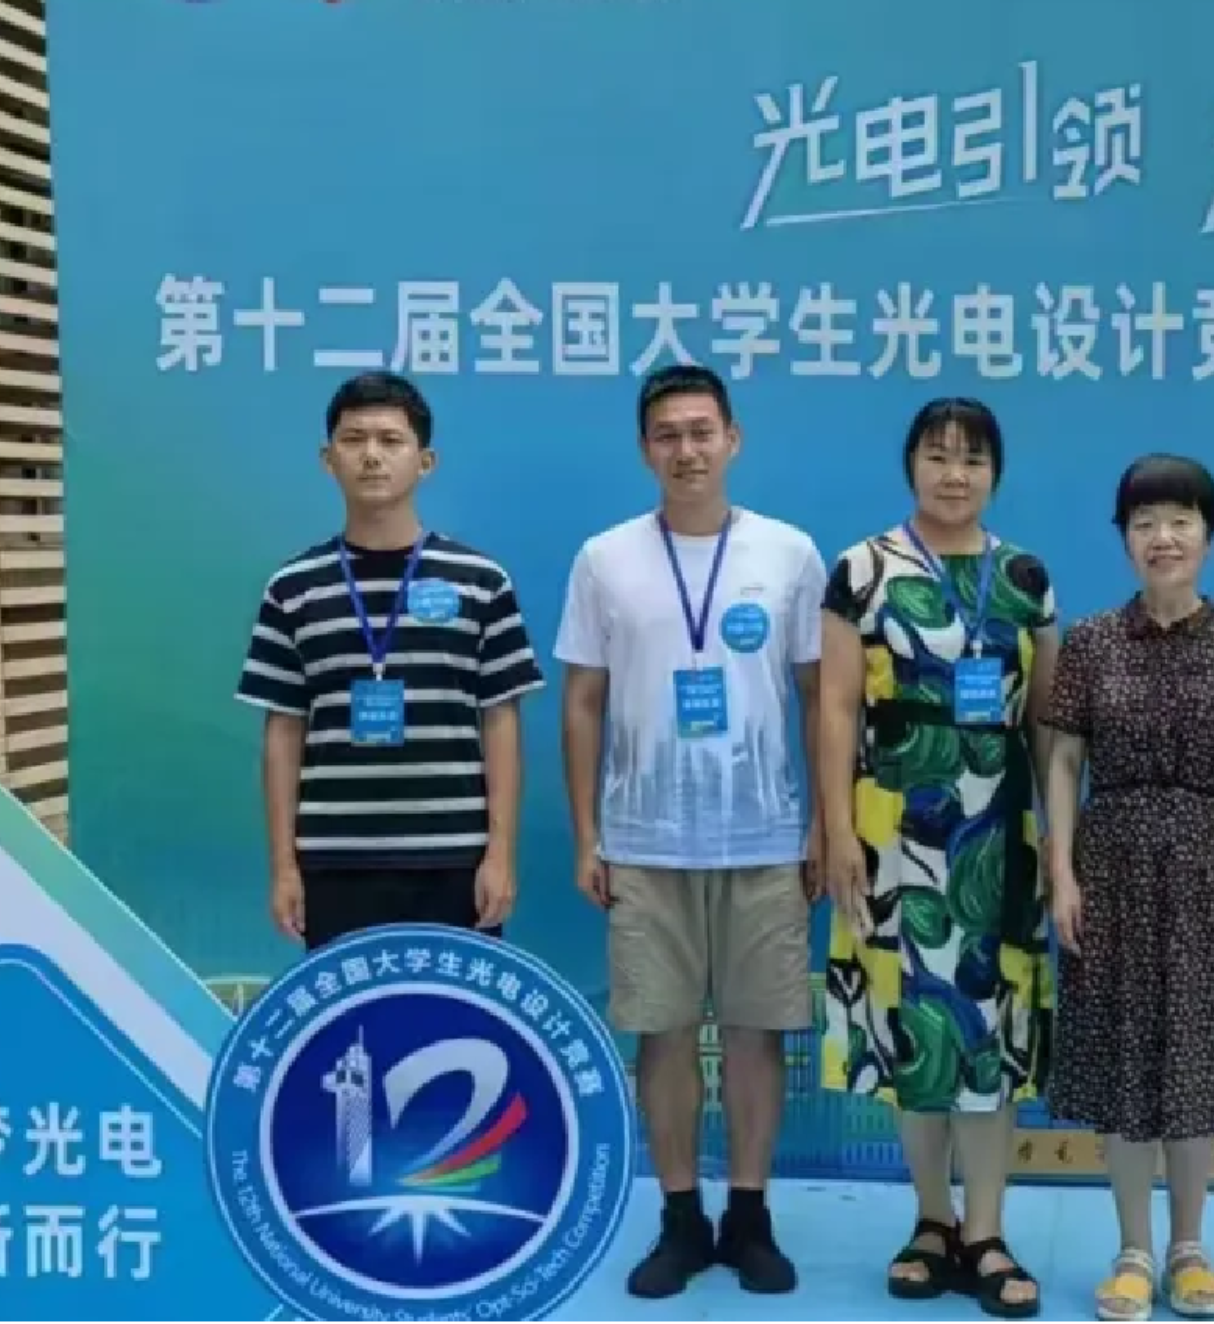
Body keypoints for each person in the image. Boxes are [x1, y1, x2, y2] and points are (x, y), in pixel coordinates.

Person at [553, 364, 825, 1299]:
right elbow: (581, 702)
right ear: (645, 449)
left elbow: (820, 696)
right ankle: (679, 1217)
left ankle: (749, 1215)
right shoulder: (605, 558)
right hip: (644, 840)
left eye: (702, 431)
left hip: (765, 838)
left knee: (756, 1033)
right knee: (662, 1034)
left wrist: (823, 824)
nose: (687, 449)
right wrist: (587, 833)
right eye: (667, 434)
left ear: (733, 438)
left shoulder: (788, 553)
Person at [815, 397, 1059, 1321]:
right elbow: (837, 708)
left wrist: (1057, 840)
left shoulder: (1025, 575)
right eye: (937, 455)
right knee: (913, 1025)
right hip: (892, 827)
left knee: (990, 1036)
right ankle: (930, 1220)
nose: (954, 474)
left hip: (999, 832)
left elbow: (1048, 722)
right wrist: (838, 830)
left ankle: (986, 1231)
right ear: (910, 464)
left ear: (995, 472)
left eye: (972, 459)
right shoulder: (863, 569)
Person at [1041, 453, 1214, 1323]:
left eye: (1180, 520)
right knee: (1121, 1057)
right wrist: (1062, 872)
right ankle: (1133, 1248)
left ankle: (1190, 1246)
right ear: (1124, 538)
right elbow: (1063, 760)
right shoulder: (1091, 641)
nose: (1163, 537)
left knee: (1195, 1056)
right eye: (1144, 523)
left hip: (1208, 864)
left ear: (1208, 535)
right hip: (1110, 864)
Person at [234, 370, 543, 951]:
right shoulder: (293, 588)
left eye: (390, 440)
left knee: (453, 1011)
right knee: (354, 1011)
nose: (371, 455)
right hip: (333, 862)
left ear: (424, 461)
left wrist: (499, 854)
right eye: (353, 440)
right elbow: (283, 730)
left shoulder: (481, 582)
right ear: (328, 460)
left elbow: (501, 720)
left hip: (455, 859)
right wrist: (284, 866)